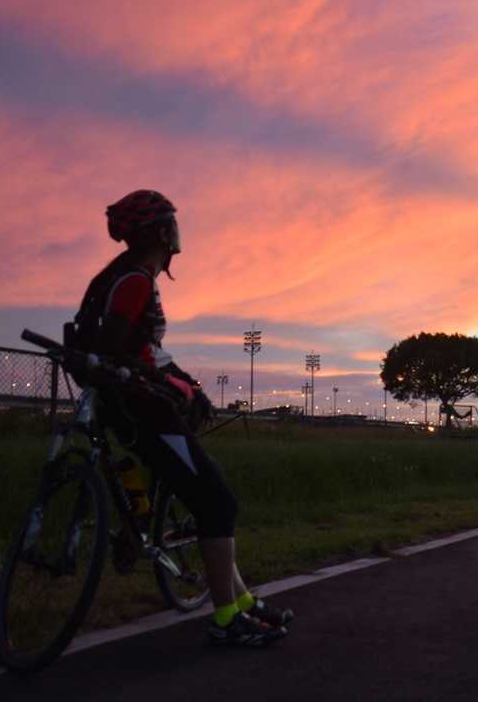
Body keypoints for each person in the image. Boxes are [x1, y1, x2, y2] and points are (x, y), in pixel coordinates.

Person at [71, 189, 294, 647]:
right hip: (144, 411)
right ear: (158, 233)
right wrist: (174, 388)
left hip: (133, 406)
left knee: (208, 500)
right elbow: (118, 351)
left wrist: (185, 382)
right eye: (172, 224)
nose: (177, 234)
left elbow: (140, 350)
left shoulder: (120, 276)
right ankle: (227, 618)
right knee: (218, 504)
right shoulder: (135, 280)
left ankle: (245, 602)